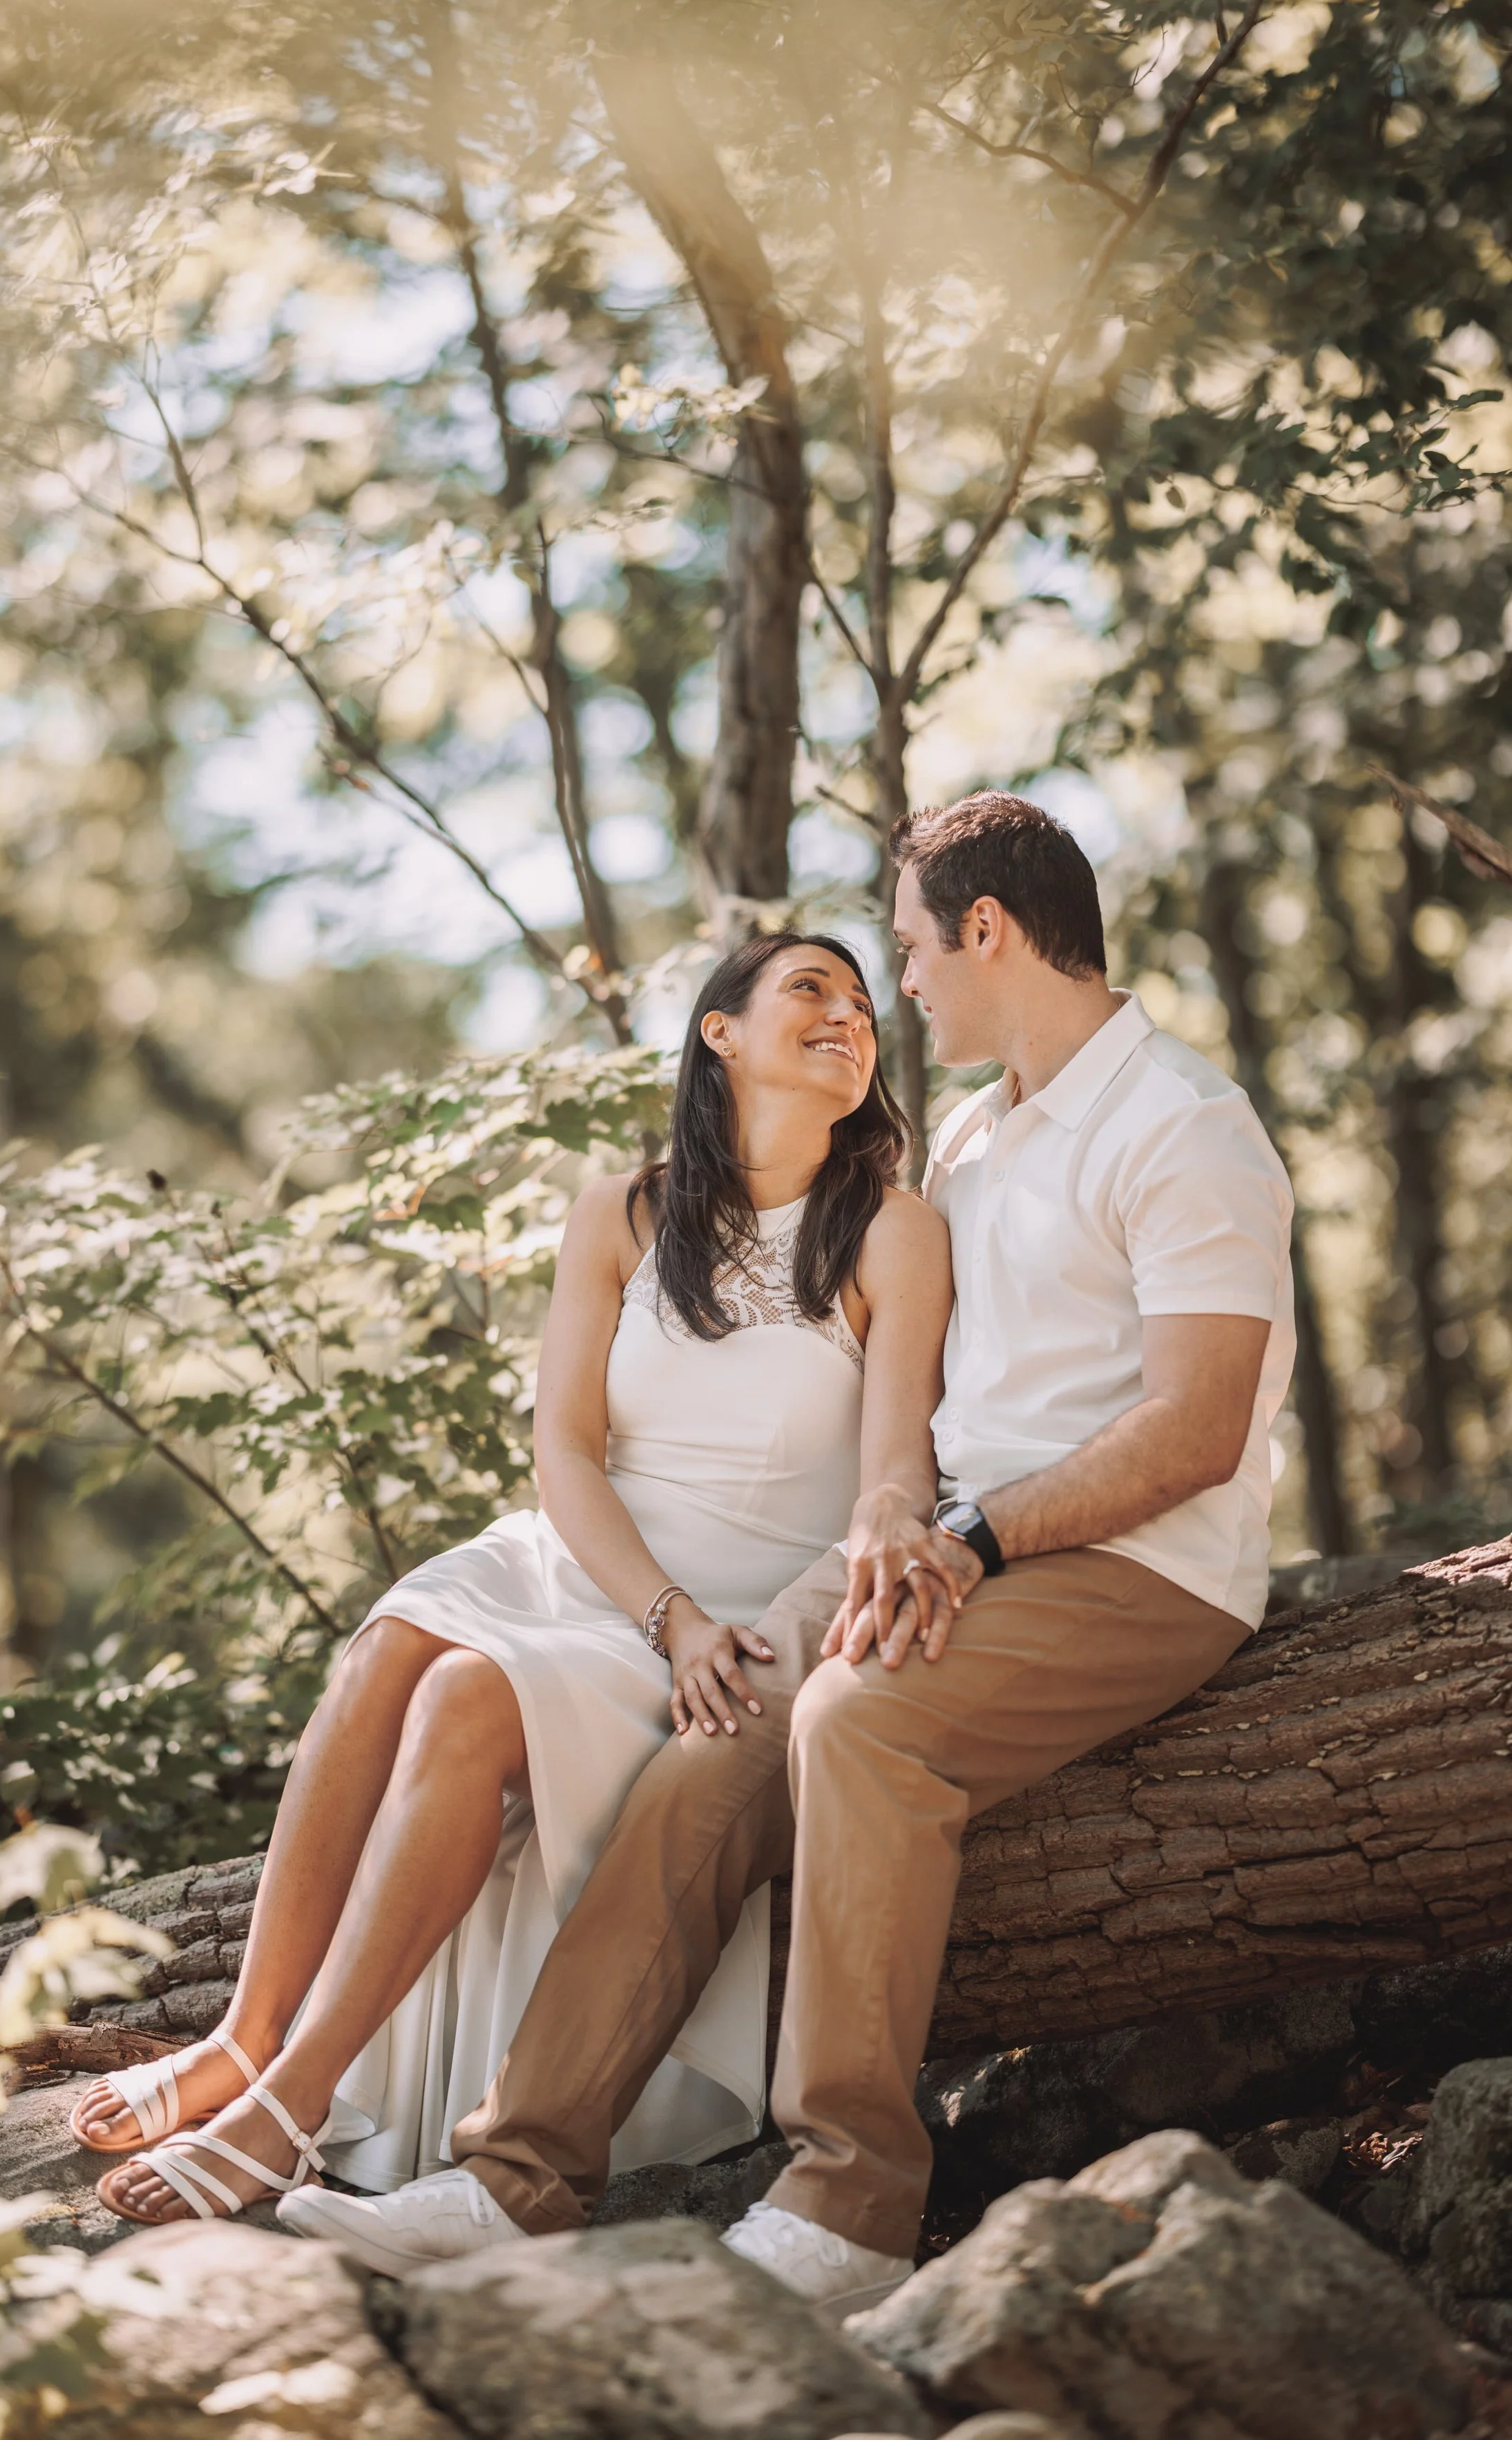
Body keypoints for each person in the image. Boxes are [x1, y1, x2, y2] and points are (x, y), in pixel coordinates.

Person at [301, 790, 1296, 2324]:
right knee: (712, 1747)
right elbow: (908, 1412)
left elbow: (1198, 1427)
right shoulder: (971, 1136)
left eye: (905, 949)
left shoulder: (1184, 1123)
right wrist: (901, 1523)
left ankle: (847, 2193)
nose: (899, 986)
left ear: (984, 928)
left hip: (1138, 1566)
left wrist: (966, 1531)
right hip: (945, 1543)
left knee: (859, 1715)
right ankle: (516, 2171)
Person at [70, 930, 950, 2226]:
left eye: (866, 1003)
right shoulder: (624, 1212)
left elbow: (892, 1474)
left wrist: (746, 1619)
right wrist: (664, 1612)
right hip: (601, 1567)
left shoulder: (891, 1229)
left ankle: (289, 2109)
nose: (850, 1016)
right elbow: (567, 1453)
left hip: (752, 1610)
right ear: (720, 1031)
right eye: (811, 989)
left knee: (469, 1702)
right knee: (386, 1652)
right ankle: (240, 2045)